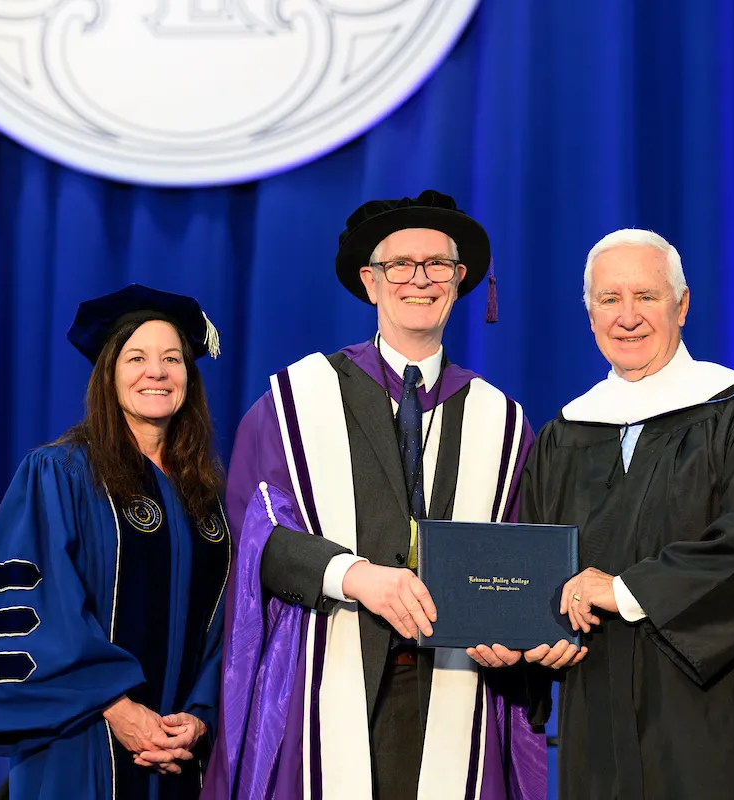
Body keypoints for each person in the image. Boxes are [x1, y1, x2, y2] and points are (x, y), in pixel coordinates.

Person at [203, 190, 545, 800]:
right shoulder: (294, 404)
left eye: (438, 265)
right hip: (327, 679)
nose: (421, 280)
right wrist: (352, 576)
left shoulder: (505, 422)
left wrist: (517, 630)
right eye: (400, 265)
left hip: (458, 692)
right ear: (370, 281)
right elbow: (258, 537)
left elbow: (521, 558)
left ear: (461, 280)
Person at [517, 229, 734, 799]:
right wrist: (533, 634)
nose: (627, 317)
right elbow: (540, 560)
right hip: (593, 703)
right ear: (589, 313)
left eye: (646, 296)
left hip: (712, 706)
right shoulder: (566, 431)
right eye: (609, 299)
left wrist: (626, 590)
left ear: (682, 305)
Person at [0, 285, 231, 799]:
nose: (157, 372)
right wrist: (118, 708)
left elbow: (228, 624)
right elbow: (38, 609)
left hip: (182, 757)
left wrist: (201, 715)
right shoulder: (60, 474)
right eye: (137, 358)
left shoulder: (206, 497)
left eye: (172, 358)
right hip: (82, 742)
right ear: (109, 374)